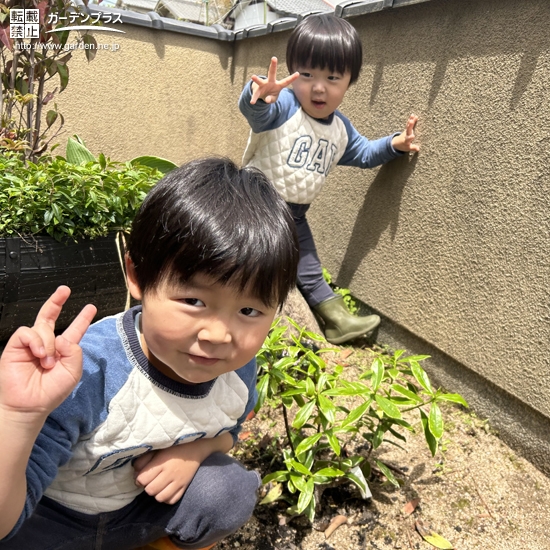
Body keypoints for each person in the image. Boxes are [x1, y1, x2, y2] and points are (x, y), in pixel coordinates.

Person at [0, 158, 299, 550]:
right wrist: (18, 416)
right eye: (193, 300)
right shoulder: (90, 373)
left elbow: (231, 429)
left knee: (227, 491)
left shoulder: (235, 370)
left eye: (249, 311)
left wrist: (198, 451)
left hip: (135, 517)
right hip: (49, 523)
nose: (218, 335)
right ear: (138, 276)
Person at [239, 13, 420, 345]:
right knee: (252, 258)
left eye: (333, 77)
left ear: (349, 82)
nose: (318, 86)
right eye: (306, 74)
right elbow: (257, 113)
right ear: (292, 76)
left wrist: (395, 144)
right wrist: (261, 96)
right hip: (254, 204)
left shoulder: (340, 130)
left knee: (308, 266)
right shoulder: (284, 106)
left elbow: (364, 153)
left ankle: (338, 321)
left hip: (295, 215)